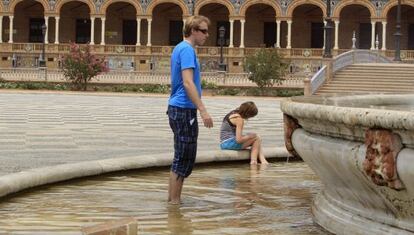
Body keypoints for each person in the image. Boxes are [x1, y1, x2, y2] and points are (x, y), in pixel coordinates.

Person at [167, 15, 213, 205]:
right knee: (185, 157)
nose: (206, 35)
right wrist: (202, 110)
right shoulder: (187, 50)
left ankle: (173, 200)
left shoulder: (181, 47)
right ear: (193, 30)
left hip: (178, 108)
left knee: (181, 157)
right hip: (184, 109)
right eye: (203, 31)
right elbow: (187, 82)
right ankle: (175, 203)